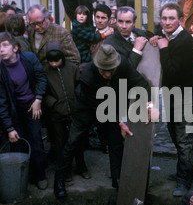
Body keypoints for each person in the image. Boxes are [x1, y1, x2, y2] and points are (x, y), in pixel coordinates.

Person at [55, 44, 153, 197]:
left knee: (115, 139)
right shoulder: (87, 75)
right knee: (73, 140)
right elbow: (101, 106)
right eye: (103, 71)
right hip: (87, 106)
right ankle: (59, 179)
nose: (107, 75)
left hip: (111, 104)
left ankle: (117, 177)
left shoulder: (123, 64)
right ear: (97, 66)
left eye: (111, 71)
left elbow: (141, 83)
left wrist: (148, 104)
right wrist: (120, 121)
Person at [149, 3, 193, 197]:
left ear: (180, 20)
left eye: (171, 18)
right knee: (177, 135)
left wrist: (163, 48)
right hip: (173, 95)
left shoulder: (184, 40)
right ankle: (190, 171)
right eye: (164, 18)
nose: (167, 22)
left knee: (185, 138)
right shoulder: (168, 37)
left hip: (187, 96)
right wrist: (157, 39)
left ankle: (184, 180)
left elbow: (172, 71)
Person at [0, 32, 48, 190]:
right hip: (15, 110)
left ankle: (40, 175)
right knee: (17, 143)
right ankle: (20, 179)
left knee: (36, 140)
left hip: (32, 104)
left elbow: (41, 77)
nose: (1, 49)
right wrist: (9, 128)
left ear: (15, 48)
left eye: (5, 45)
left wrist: (38, 99)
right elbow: (2, 102)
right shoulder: (1, 70)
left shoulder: (28, 58)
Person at [44, 42, 89, 198]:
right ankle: (66, 171)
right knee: (60, 143)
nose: (55, 63)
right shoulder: (45, 72)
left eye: (57, 60)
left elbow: (79, 86)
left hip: (74, 111)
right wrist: (54, 104)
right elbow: (43, 93)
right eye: (51, 61)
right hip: (56, 114)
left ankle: (81, 167)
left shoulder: (72, 68)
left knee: (78, 140)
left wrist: (78, 103)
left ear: (62, 57)